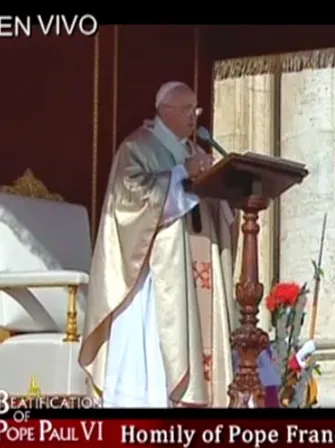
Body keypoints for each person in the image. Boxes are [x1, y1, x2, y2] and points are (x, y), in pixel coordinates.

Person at [78, 81, 240, 407]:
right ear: (164, 111)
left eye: (195, 110)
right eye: (186, 109)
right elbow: (130, 200)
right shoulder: (137, 148)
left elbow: (212, 205)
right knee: (154, 360)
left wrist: (229, 193)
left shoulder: (196, 152)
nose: (194, 117)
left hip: (195, 268)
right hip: (155, 277)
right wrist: (182, 174)